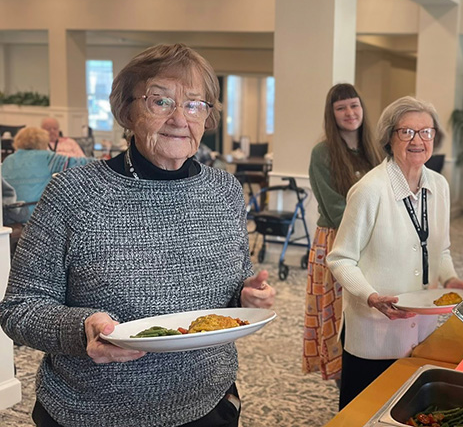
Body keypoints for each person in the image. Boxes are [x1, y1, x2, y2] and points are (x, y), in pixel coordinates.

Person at [0, 43, 276, 427]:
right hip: (91, 412)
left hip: (206, 402)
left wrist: (245, 293)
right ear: (127, 111)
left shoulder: (224, 190)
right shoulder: (74, 193)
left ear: (207, 117)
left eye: (195, 104)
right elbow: (20, 308)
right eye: (161, 101)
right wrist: (81, 330)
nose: (180, 118)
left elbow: (228, 287)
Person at [327, 96, 463, 409]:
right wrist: (370, 296)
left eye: (426, 132)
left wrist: (451, 278)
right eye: (407, 132)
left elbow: (440, 249)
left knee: (411, 407)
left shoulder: (440, 186)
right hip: (375, 330)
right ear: (389, 139)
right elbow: (340, 259)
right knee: (365, 410)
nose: (418, 140)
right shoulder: (369, 190)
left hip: (424, 326)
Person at [302, 83, 382, 382]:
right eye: (341, 108)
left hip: (373, 239)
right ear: (331, 114)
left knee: (368, 306)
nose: (350, 113)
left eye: (354, 105)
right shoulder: (322, 153)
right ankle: (342, 375)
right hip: (337, 241)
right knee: (338, 313)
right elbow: (335, 208)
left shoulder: (376, 150)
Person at [1, 127, 92, 222]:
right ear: (43, 141)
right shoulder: (47, 157)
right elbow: (79, 163)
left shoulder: (8, 159)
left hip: (9, 214)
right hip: (35, 214)